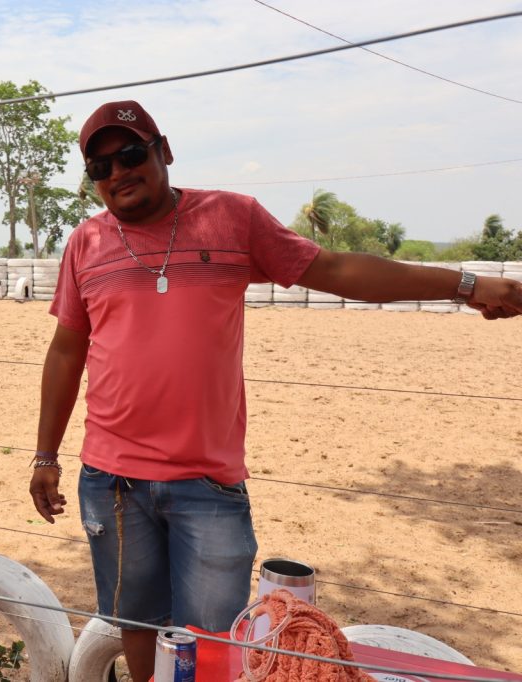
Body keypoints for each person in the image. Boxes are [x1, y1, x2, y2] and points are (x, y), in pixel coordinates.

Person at [28, 100, 522, 682]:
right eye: (100, 167)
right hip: (111, 482)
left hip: (207, 484)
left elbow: (337, 271)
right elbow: (66, 349)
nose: (117, 173)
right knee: (137, 623)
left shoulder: (232, 219)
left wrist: (466, 285)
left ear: (164, 151)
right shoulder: (85, 242)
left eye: (131, 154)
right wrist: (43, 455)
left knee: (212, 642)